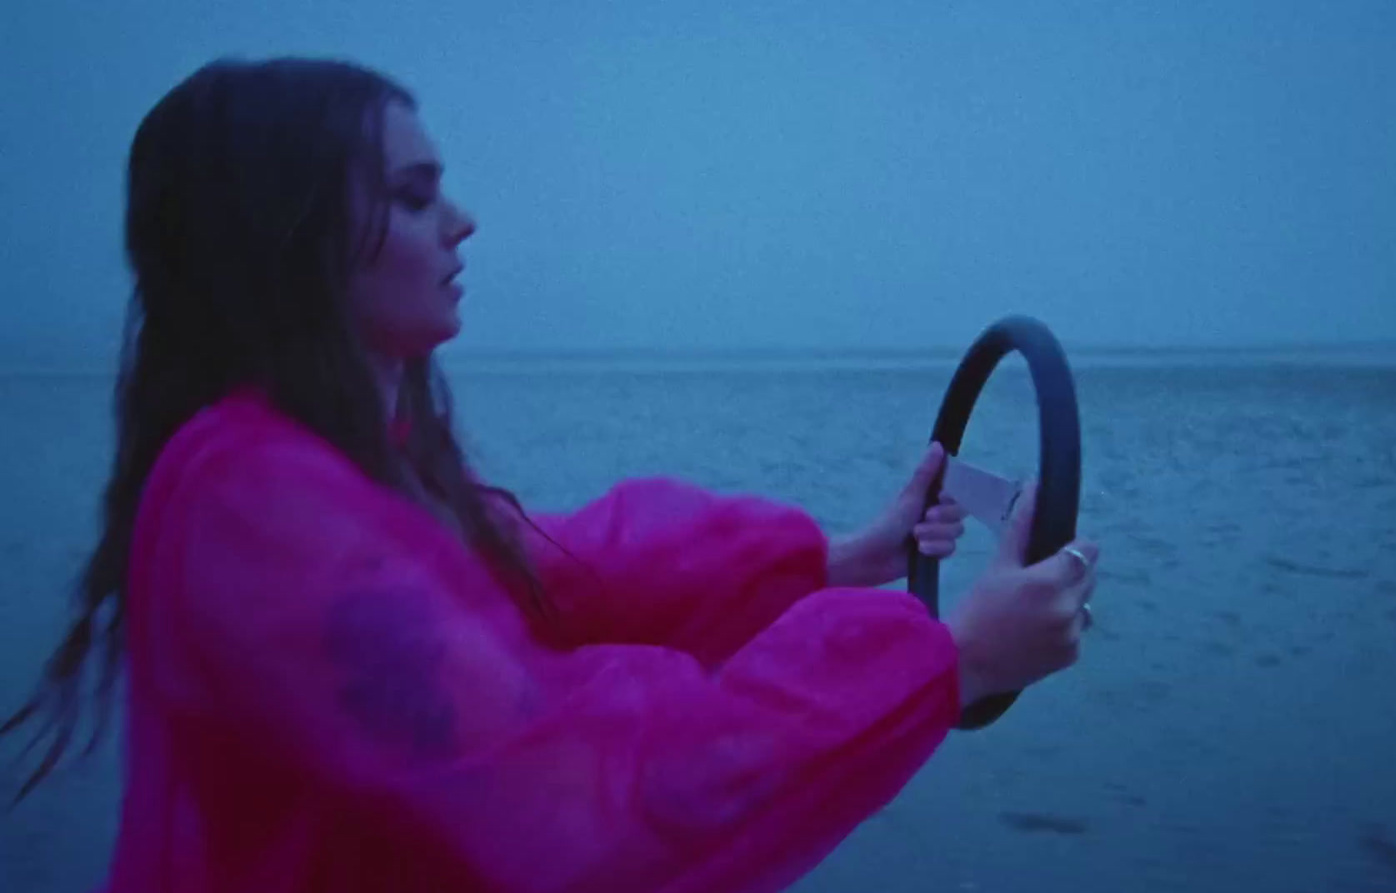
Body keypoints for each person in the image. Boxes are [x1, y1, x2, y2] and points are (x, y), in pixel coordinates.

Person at [1, 57, 1100, 892]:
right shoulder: (255, 505)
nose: (463, 219)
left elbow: (564, 569)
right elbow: (582, 805)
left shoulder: (328, 468)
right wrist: (942, 662)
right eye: (419, 193)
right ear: (291, 233)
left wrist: (848, 556)